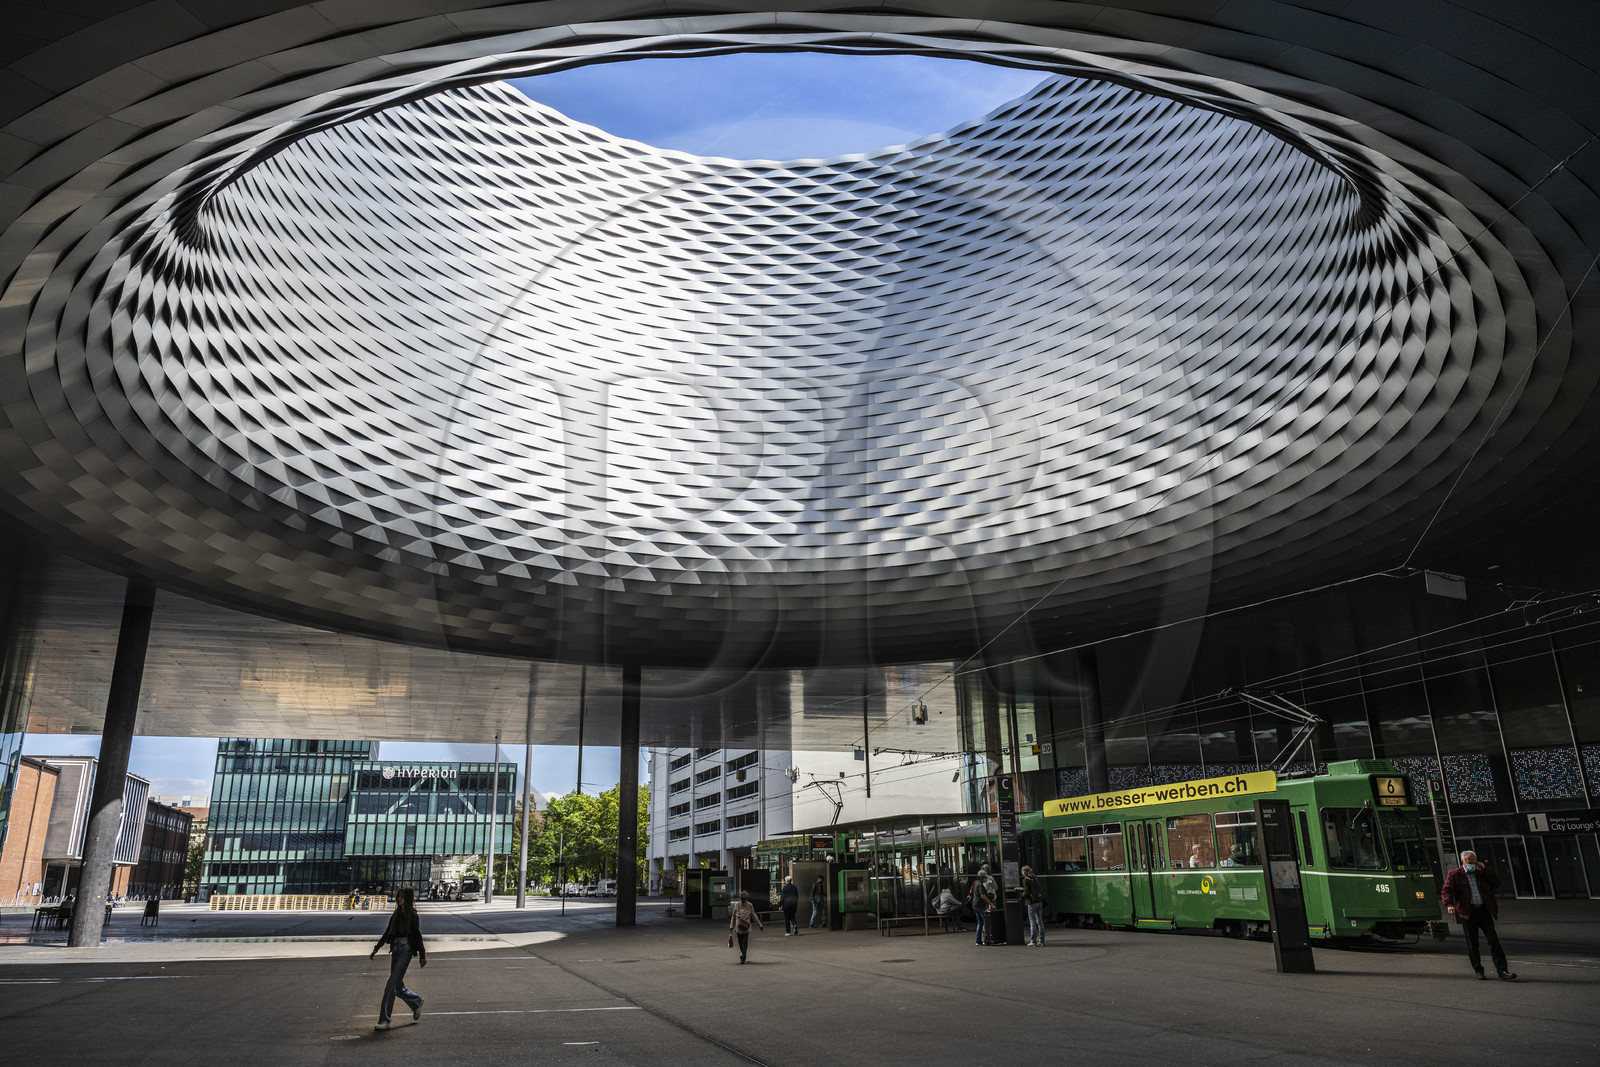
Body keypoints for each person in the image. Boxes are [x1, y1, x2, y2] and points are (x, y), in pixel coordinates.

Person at [1441, 851, 1516, 981]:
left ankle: (1502, 970)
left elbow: (1496, 883)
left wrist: (1485, 870)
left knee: (1493, 940)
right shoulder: (1455, 875)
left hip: (1484, 911)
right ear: (1463, 862)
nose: (1473, 866)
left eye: (1474, 863)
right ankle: (1478, 970)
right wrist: (1449, 905)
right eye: (1470, 863)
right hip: (1468, 913)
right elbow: (1447, 890)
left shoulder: (1481, 873)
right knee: (1472, 943)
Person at [369, 886, 427, 1029]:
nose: (399, 899)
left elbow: (417, 935)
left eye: (401, 896)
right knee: (397, 985)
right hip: (395, 948)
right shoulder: (396, 914)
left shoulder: (412, 915)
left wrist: (422, 955)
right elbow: (388, 932)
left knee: (391, 985)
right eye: (398, 896)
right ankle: (416, 1001)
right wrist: (377, 947)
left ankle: (385, 1020)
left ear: (407, 898)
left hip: (406, 949)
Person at [729, 889, 764, 964]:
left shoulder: (749, 905)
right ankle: (743, 954)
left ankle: (743, 956)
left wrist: (760, 925)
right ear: (740, 898)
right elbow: (733, 916)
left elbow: (754, 916)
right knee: (740, 942)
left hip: (746, 927)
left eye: (744, 899)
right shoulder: (737, 905)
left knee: (745, 942)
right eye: (742, 899)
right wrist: (731, 926)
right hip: (738, 927)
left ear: (746, 899)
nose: (743, 900)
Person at [1021, 865, 1046, 947]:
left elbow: (1027, 893)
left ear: (1023, 872)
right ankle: (1041, 941)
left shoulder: (1026, 880)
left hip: (1032, 902)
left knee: (1032, 922)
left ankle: (1033, 941)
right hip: (1039, 901)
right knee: (1040, 921)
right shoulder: (1035, 878)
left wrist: (1022, 893)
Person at [970, 868, 995, 945]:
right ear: (981, 877)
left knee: (979, 923)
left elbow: (971, 892)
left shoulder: (975, 883)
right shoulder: (980, 885)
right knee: (986, 922)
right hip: (980, 905)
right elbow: (983, 896)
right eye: (984, 877)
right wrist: (991, 904)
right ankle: (986, 940)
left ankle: (978, 940)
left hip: (974, 905)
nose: (985, 879)